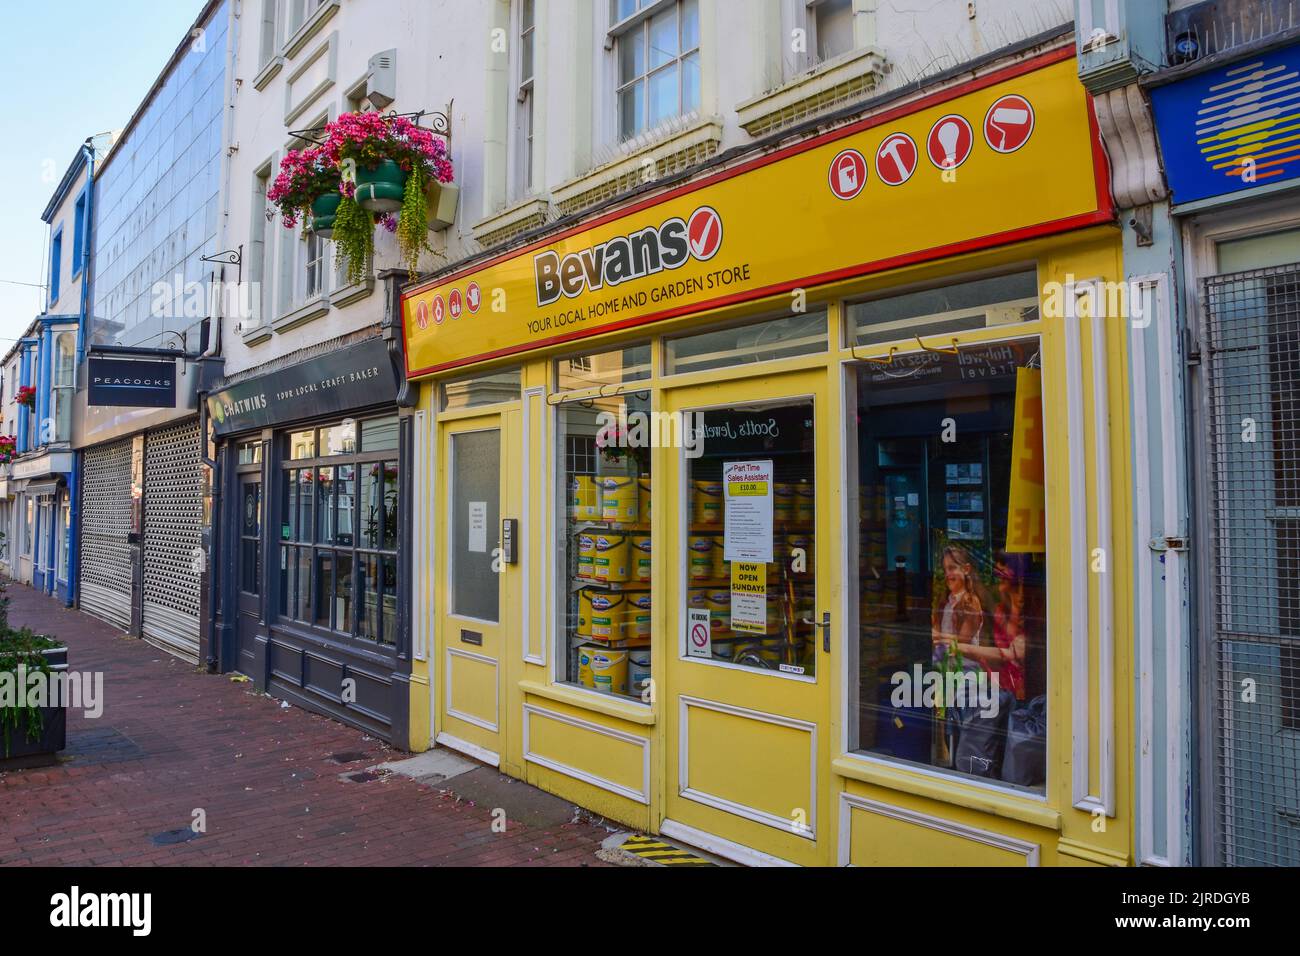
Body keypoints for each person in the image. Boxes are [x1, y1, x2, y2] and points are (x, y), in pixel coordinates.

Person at [944, 551, 1029, 700]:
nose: (998, 573)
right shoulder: (1001, 610)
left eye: (1003, 572)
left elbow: (1012, 652)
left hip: (1021, 695)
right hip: (1003, 691)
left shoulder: (1028, 609)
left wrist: (960, 647)